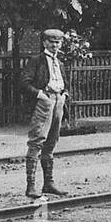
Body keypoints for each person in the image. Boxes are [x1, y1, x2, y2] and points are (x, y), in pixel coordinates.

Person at [19, 28, 71, 198]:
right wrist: (40, 95)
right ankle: (31, 186)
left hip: (58, 102)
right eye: (52, 42)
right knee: (37, 141)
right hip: (44, 102)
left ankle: (48, 183)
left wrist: (64, 95)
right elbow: (24, 83)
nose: (55, 45)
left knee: (52, 141)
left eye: (58, 42)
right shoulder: (36, 61)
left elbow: (66, 83)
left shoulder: (60, 63)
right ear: (44, 43)